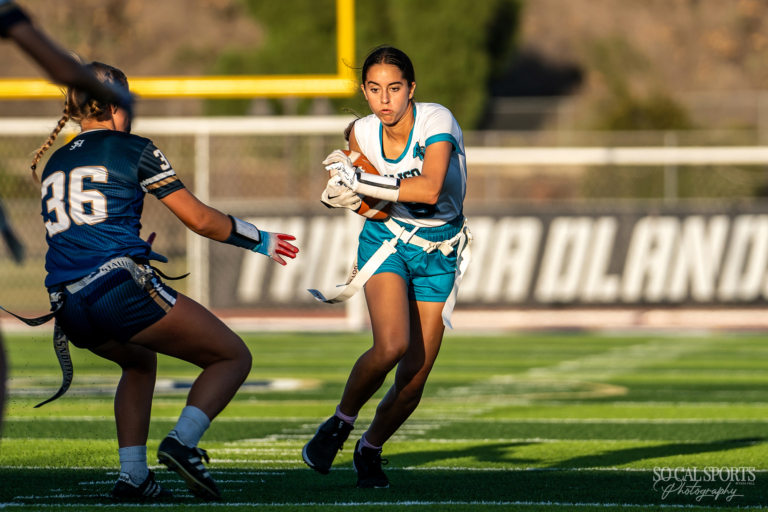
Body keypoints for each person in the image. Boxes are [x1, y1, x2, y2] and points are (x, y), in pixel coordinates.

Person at [32, 61, 298, 500]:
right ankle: (183, 443)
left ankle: (133, 477)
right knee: (231, 357)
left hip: (65, 303)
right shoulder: (132, 147)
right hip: (114, 288)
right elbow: (200, 219)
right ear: (116, 103)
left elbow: (83, 235)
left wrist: (133, 245)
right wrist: (261, 239)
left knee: (138, 363)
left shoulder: (57, 160)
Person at [303, 46, 471, 488]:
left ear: (411, 89)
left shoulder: (437, 119)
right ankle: (339, 423)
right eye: (375, 89)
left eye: (395, 88)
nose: (385, 99)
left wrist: (360, 182)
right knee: (392, 344)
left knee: (414, 378)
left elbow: (431, 189)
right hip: (391, 241)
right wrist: (356, 199)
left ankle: (370, 448)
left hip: (440, 250)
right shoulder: (362, 132)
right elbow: (378, 211)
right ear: (364, 90)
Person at [0, 0, 133, 443]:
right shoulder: (124, 147)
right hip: (101, 288)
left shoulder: (59, 157)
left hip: (68, 291)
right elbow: (53, 59)